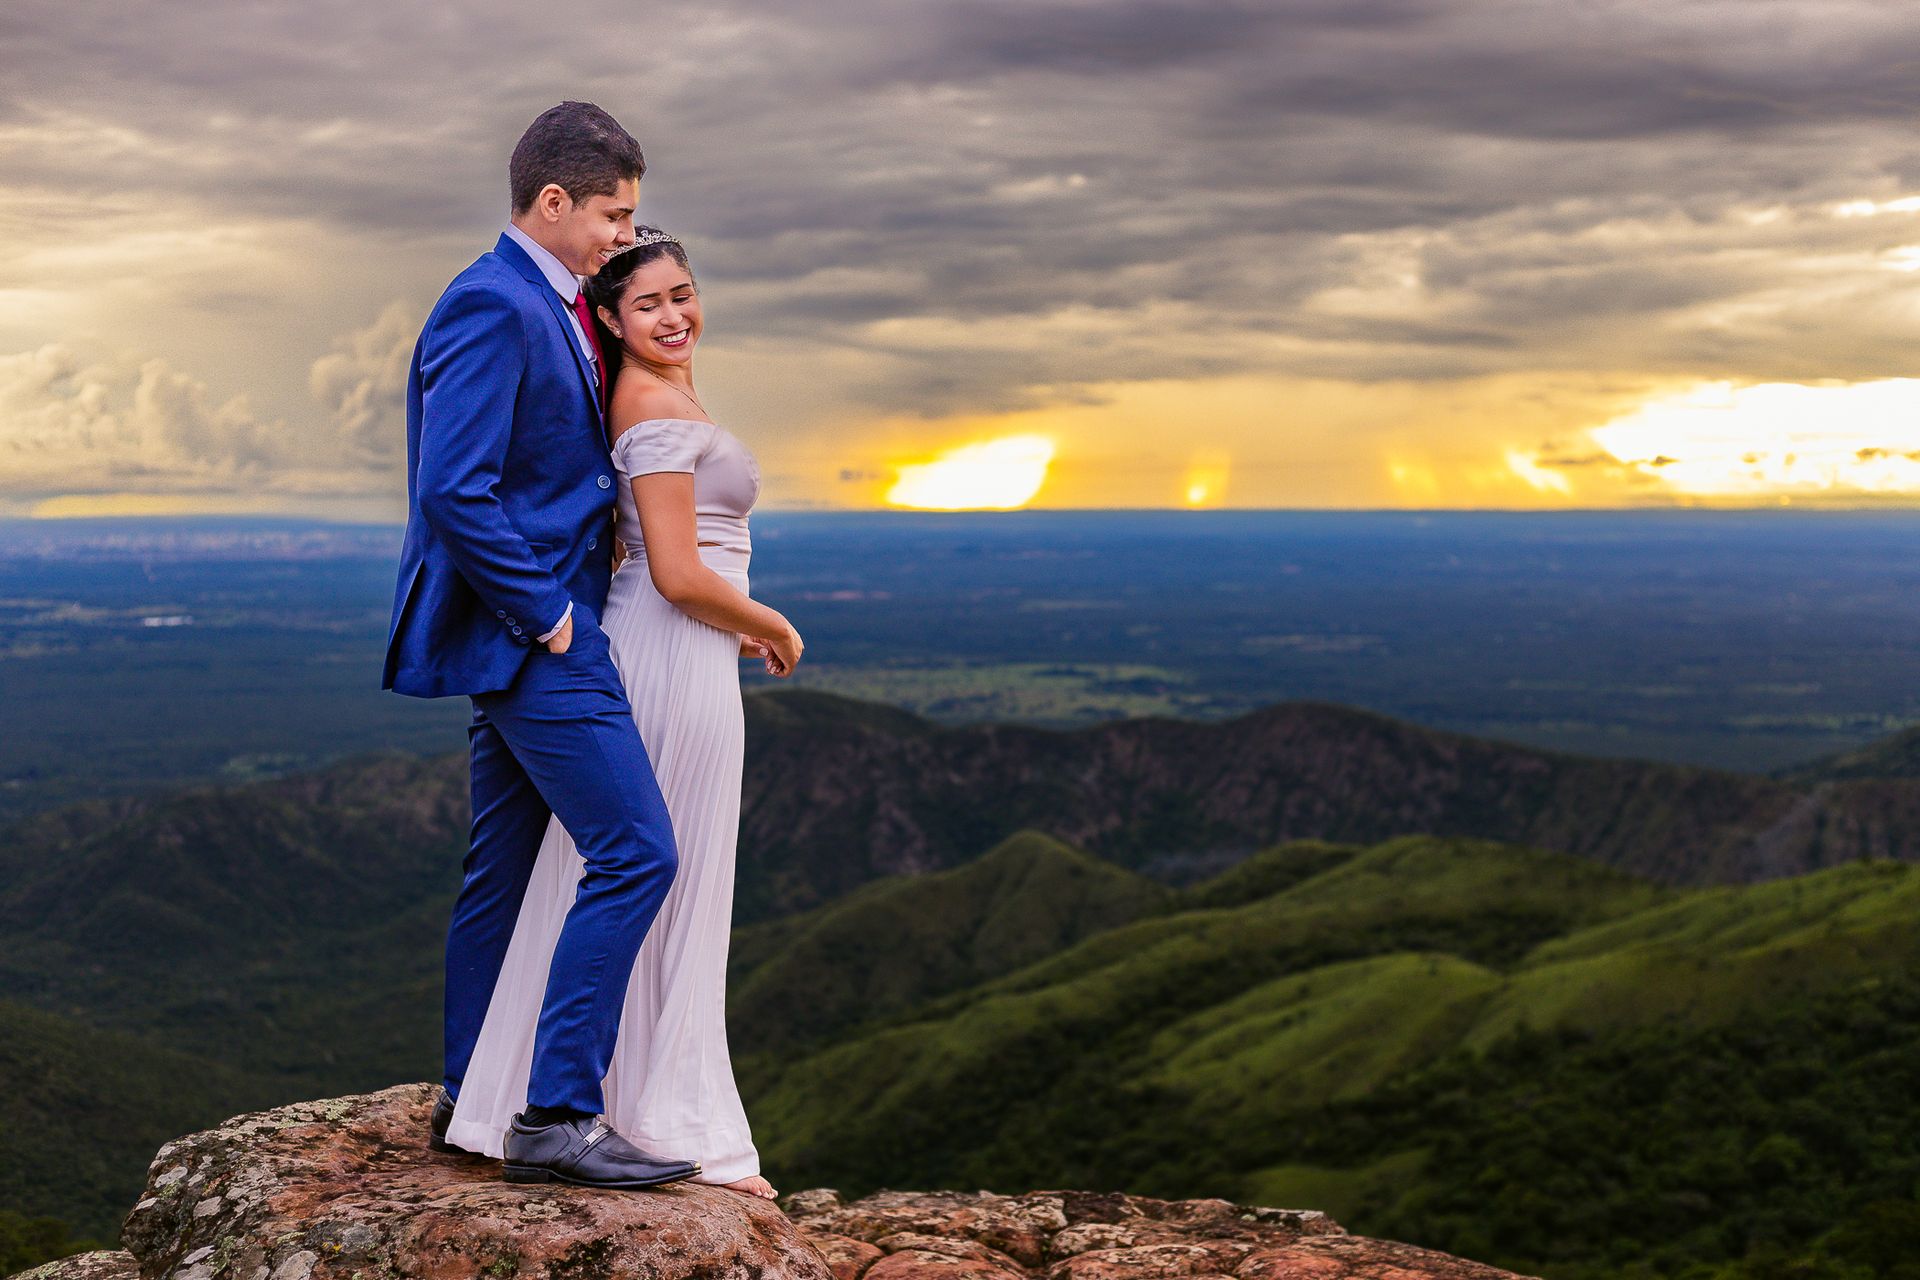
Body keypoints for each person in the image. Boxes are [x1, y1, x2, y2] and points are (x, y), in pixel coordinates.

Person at [443, 227, 802, 1200]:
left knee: (635, 871)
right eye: (648, 304)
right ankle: (609, 1109)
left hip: (686, 647)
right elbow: (681, 572)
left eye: (683, 293)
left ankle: (586, 1096)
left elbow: (671, 555)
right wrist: (768, 621)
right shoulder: (646, 401)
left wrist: (723, 624)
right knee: (647, 866)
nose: (675, 314)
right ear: (608, 318)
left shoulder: (667, 391)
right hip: (665, 651)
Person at [383, 101, 698, 1190]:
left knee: (504, 872)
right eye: (615, 213)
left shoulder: (554, 304)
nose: (625, 233)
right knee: (639, 851)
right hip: (535, 641)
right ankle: (558, 1112)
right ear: (553, 201)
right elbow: (452, 488)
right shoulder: (492, 301)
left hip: (530, 638)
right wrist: (557, 618)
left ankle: (475, 1094)